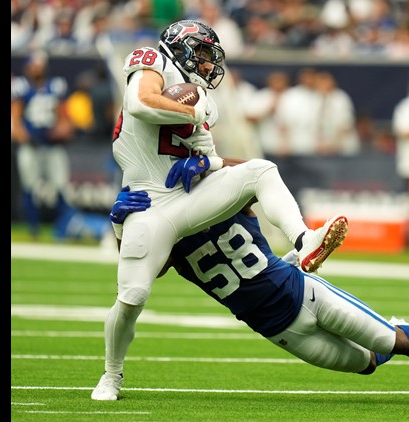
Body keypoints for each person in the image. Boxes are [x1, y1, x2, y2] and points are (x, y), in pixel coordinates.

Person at [92, 20, 350, 401]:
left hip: (188, 195)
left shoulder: (202, 99)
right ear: (179, 47)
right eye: (203, 55)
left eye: (212, 58)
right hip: (148, 201)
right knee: (132, 296)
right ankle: (111, 375)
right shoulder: (151, 62)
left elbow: (210, 157)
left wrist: (204, 166)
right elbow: (140, 103)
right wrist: (191, 113)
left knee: (261, 170)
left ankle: (304, 240)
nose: (210, 66)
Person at [107, 186, 409, 396]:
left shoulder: (218, 193)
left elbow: (252, 181)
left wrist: (208, 168)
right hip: (276, 328)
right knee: (368, 363)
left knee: (384, 339)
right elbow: (146, 271)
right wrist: (123, 228)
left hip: (301, 290)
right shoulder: (166, 231)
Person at [11, 50, 76, 240]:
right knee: (30, 188)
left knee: (60, 187)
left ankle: (63, 228)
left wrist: (62, 131)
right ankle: (34, 229)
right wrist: (24, 136)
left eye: (39, 65)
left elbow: (65, 118)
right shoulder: (21, 87)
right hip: (31, 146)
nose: (36, 69)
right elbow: (15, 118)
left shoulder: (55, 86)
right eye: (34, 65)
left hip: (52, 145)